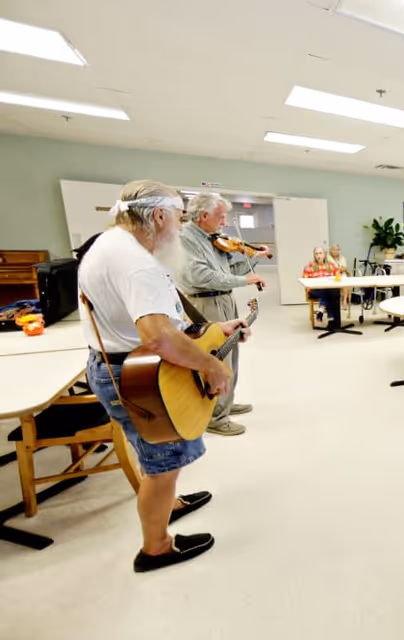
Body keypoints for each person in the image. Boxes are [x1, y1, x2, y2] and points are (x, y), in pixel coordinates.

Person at [79, 180, 251, 572]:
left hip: (119, 364)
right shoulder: (140, 264)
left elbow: (160, 323)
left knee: (150, 449)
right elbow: (157, 338)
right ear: (158, 215)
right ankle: (156, 547)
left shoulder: (108, 243)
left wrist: (212, 332)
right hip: (140, 374)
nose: (180, 224)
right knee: (162, 463)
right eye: (178, 215)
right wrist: (211, 365)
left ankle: (169, 503)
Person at [177, 193, 267, 437]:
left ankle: (226, 402)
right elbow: (200, 277)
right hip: (206, 302)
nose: (225, 221)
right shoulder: (186, 239)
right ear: (204, 216)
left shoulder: (213, 239)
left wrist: (253, 258)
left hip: (224, 298)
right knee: (218, 358)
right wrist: (243, 279)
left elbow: (229, 270)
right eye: (221, 216)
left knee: (232, 354)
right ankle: (216, 417)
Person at [302, 246, 338, 324]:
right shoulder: (309, 267)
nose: (318, 255)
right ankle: (331, 320)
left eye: (320, 253)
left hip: (328, 289)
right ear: (314, 256)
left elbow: (338, 278)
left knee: (330, 293)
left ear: (324, 254)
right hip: (314, 290)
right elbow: (305, 282)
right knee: (330, 294)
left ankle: (321, 311)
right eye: (316, 254)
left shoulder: (331, 265)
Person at [328, 243, 351, 310]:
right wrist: (338, 270)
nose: (335, 251)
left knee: (345, 280)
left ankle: (344, 301)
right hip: (332, 275)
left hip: (341, 274)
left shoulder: (342, 258)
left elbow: (344, 268)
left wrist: (337, 269)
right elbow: (329, 269)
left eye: (337, 250)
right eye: (334, 249)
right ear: (330, 250)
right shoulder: (328, 258)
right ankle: (336, 301)